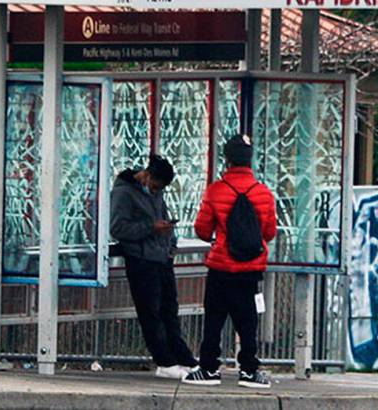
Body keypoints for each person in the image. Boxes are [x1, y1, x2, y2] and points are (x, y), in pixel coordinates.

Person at [183, 134, 277, 389]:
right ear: (250, 160)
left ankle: (209, 368)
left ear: (228, 159)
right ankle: (249, 370)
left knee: (214, 319)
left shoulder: (216, 190)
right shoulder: (263, 193)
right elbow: (269, 232)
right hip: (251, 269)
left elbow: (202, 230)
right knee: (248, 320)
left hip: (221, 267)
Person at [110, 154, 199, 380]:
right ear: (147, 175)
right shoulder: (123, 193)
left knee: (169, 310)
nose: (156, 191)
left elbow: (163, 217)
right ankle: (164, 360)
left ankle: (182, 357)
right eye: (155, 186)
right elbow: (117, 228)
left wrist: (170, 245)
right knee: (151, 312)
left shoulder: (157, 194)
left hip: (162, 258)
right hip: (141, 260)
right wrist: (151, 227)